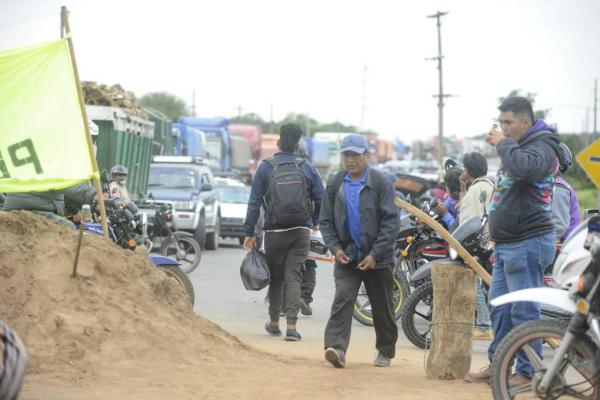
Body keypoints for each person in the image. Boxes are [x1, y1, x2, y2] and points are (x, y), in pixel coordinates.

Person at [465, 96, 561, 385]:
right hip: (508, 244)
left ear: (525, 122)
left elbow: (525, 169)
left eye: (508, 122)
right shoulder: (519, 147)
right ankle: (500, 365)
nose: (504, 128)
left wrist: (502, 143)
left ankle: (526, 372)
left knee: (524, 310)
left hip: (528, 242)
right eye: (502, 122)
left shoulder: (543, 146)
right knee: (499, 307)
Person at [320, 133, 400, 368]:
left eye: (355, 154)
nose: (350, 159)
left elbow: (390, 222)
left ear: (366, 156)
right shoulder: (335, 183)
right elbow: (325, 221)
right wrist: (335, 248)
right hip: (347, 256)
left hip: (378, 258)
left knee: (382, 307)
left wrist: (375, 254)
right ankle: (336, 348)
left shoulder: (380, 182)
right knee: (342, 300)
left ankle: (385, 350)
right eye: (346, 154)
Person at [243, 123, 323, 341]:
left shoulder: (266, 167)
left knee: (277, 278)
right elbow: (321, 198)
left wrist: (249, 231)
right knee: (295, 277)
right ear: (297, 145)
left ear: (279, 143)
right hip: (300, 230)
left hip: (275, 231)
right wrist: (314, 221)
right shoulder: (307, 167)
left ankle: (274, 323)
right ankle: (292, 328)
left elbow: (254, 201)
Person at [458, 151, 494, 340]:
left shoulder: (477, 189)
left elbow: (469, 220)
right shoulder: (487, 185)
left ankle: (484, 324)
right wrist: (463, 186)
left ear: (469, 169)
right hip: (490, 243)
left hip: (479, 244)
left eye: (465, 167)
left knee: (475, 281)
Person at [433, 167, 462, 231]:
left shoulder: (465, 204)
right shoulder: (450, 199)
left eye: (446, 186)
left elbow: (458, 231)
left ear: (456, 192)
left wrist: (445, 214)